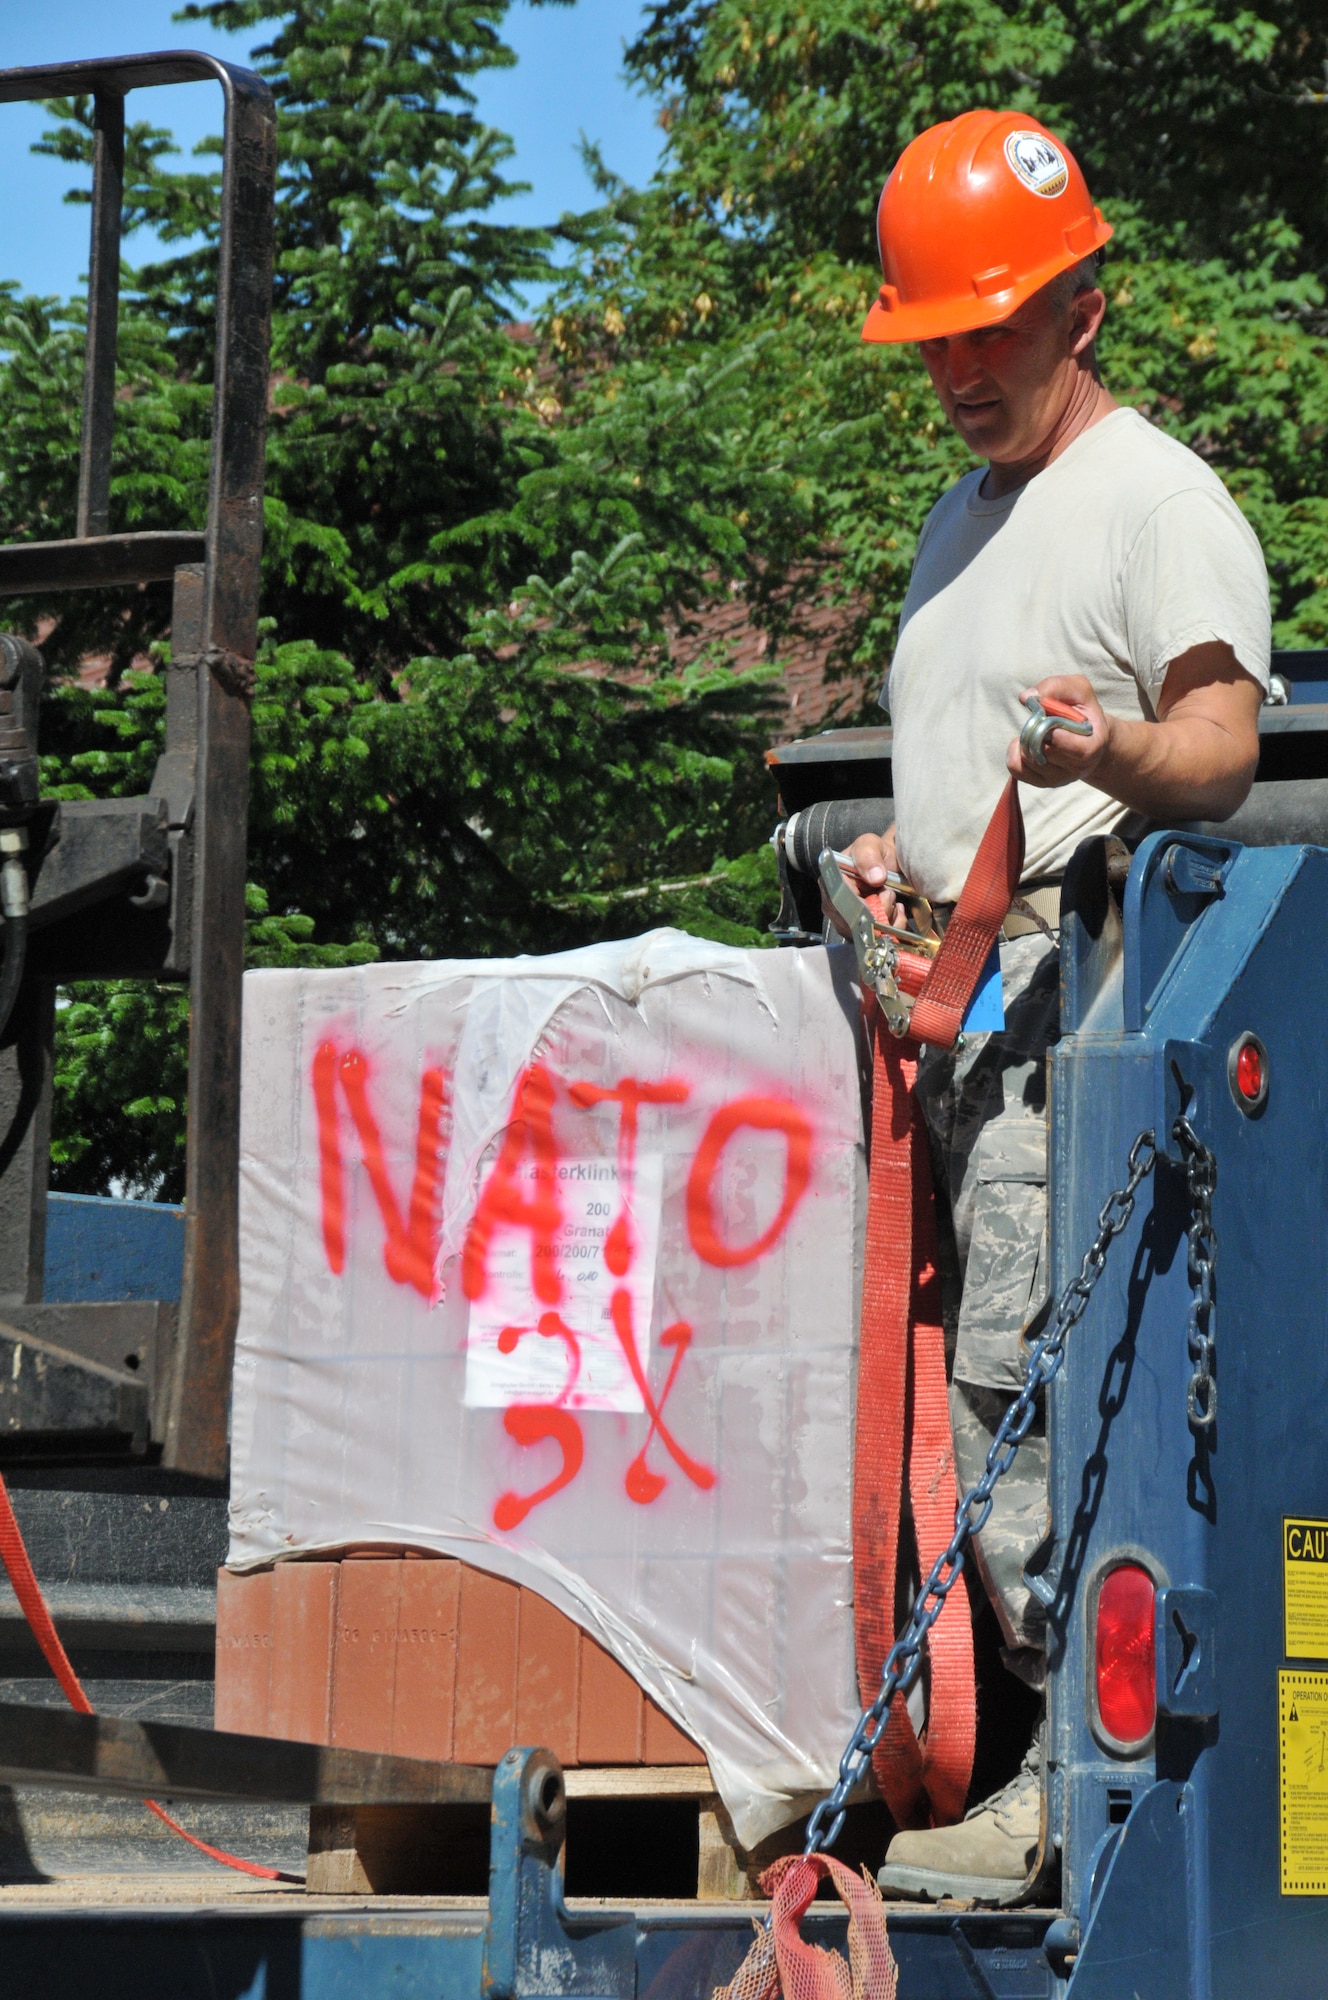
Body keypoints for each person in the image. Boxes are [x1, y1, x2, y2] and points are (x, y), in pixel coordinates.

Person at [831, 108, 1270, 1904]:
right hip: (948, 1017)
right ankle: (943, 1754)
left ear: (1086, 305)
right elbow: (953, 778)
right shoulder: (960, 517)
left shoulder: (1156, 498)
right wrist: (892, 861)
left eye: (991, 327)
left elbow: (1225, 752)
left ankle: (1059, 1798)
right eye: (931, 336)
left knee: (1032, 1389)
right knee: (923, 1408)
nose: (956, 367)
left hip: (1075, 1016)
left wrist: (1114, 753)